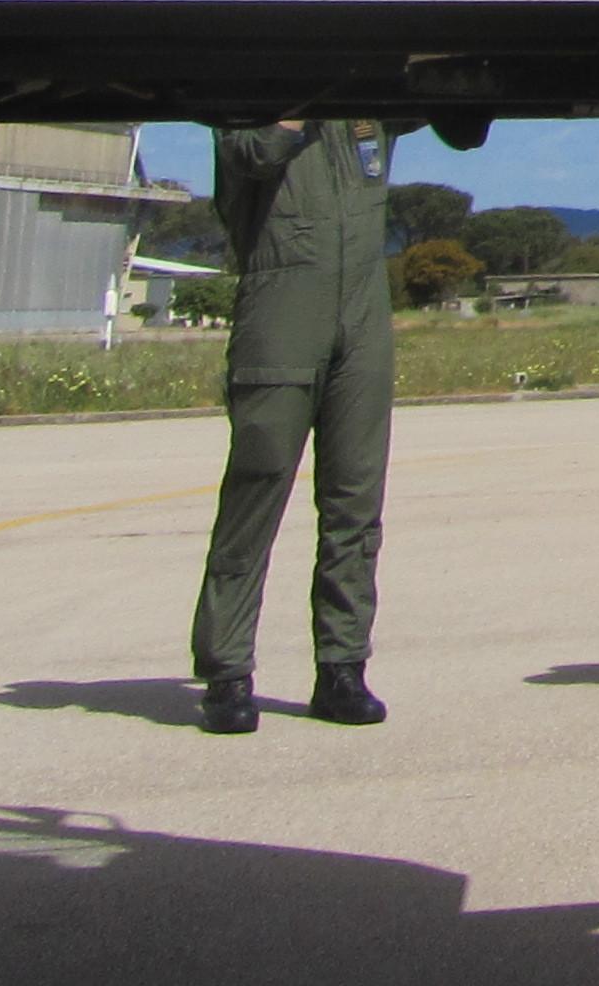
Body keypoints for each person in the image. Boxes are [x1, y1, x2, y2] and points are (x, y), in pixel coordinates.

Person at [190, 117, 396, 735]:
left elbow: (452, 122)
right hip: (281, 304)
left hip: (363, 316)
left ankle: (342, 667)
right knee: (257, 490)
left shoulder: (368, 113)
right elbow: (249, 154)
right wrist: (298, 107)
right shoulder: (248, 105)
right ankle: (227, 673)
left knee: (356, 501)